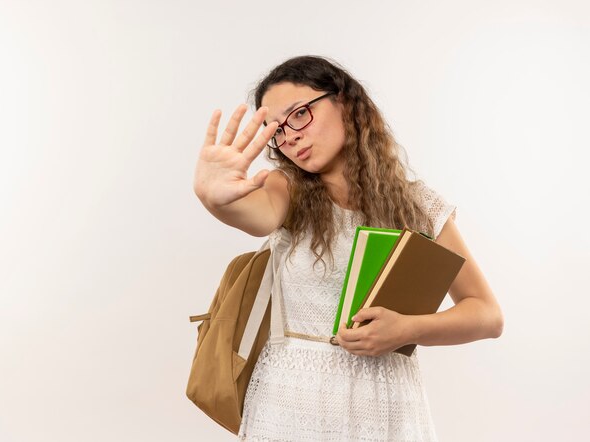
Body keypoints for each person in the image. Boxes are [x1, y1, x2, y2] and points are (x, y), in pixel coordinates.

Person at [193, 55, 504, 441]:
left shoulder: (418, 205)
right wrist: (214, 197)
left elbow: (487, 315)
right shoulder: (284, 189)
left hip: (389, 406)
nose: (289, 136)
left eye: (300, 114)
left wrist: (407, 329)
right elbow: (257, 216)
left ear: (344, 101)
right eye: (276, 130)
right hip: (293, 404)